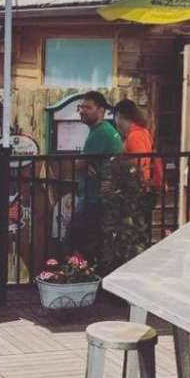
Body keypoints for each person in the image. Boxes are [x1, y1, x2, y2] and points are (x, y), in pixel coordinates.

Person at [68, 91, 122, 260]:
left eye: (88, 107)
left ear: (101, 110)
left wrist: (84, 164)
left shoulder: (100, 132)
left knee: (77, 242)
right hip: (97, 196)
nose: (82, 111)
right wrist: (86, 164)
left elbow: (79, 164)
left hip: (95, 198)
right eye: (81, 107)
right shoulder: (103, 130)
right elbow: (85, 163)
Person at [113, 98, 163, 187]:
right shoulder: (142, 131)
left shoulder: (135, 135)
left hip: (136, 184)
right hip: (140, 182)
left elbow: (139, 161)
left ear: (118, 115)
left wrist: (118, 161)